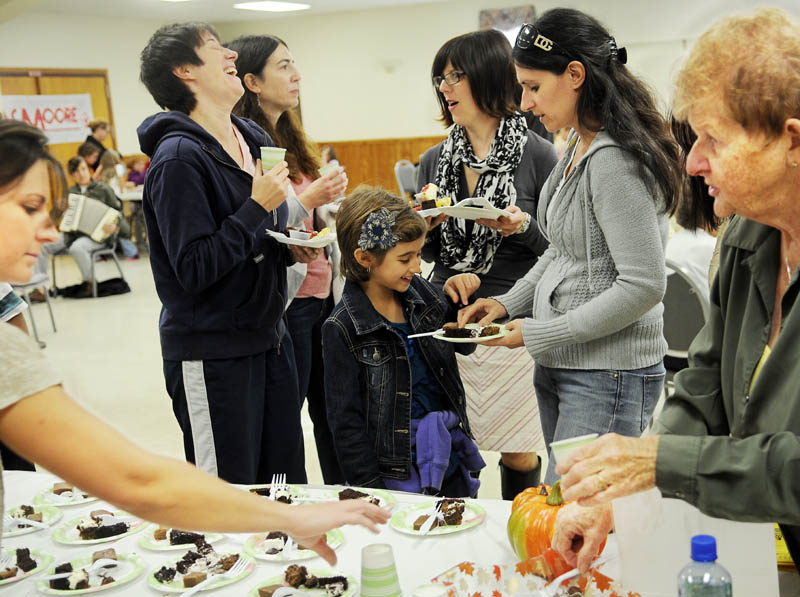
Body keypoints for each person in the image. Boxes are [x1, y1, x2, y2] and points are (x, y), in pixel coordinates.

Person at [0, 118, 389, 557]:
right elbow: (137, 481)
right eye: (30, 207)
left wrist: (288, 517)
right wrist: (291, 518)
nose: (51, 232)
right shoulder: (180, 159)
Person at [551, 7, 800, 574]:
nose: (692, 161)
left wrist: (660, 462)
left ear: (792, 142)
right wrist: (625, 485)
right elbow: (704, 382)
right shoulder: (747, 237)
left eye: (713, 138)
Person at [459, 8, 681, 485]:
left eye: (534, 87)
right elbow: (563, 252)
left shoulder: (614, 160)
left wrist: (541, 333)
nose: (524, 101)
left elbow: (643, 286)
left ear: (575, 75)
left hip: (608, 373)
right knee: (563, 509)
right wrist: (504, 303)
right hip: (568, 363)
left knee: (583, 519)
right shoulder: (577, 148)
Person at [137, 22, 306, 485]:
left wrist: (292, 248)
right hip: (213, 353)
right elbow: (193, 268)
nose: (232, 55)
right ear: (184, 71)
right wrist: (256, 208)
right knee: (229, 494)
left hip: (271, 338)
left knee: (283, 486)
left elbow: (261, 234)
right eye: (215, 49)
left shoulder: (252, 138)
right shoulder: (177, 159)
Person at [417, 29, 558, 499]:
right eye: (441, 77)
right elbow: (428, 253)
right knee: (451, 439)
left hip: (512, 321)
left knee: (519, 448)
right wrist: (429, 237)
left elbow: (560, 253)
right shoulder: (434, 161)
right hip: (450, 317)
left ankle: (520, 530)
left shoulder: (540, 155)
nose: (445, 87)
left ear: (490, 77)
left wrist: (522, 228)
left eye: (456, 75)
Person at [228, 34, 348, 484]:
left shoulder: (292, 136)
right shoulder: (243, 142)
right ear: (252, 81)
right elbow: (259, 218)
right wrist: (312, 196)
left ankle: (343, 497)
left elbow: (307, 216)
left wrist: (332, 200)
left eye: (294, 63)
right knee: (285, 418)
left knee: (334, 411)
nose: (296, 75)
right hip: (289, 298)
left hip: (322, 292)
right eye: (283, 66)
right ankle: (290, 509)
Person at [323, 187, 485, 496]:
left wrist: (462, 301)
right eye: (405, 258)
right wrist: (370, 490)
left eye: (419, 254)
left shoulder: (423, 294)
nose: (417, 266)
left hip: (445, 456)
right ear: (364, 257)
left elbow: (465, 344)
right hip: (393, 474)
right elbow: (345, 422)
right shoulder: (342, 328)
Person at [36, 156, 122, 298]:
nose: (81, 174)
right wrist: (58, 210)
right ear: (72, 175)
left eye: (83, 169)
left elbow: (118, 215)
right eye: (76, 172)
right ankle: (39, 290)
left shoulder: (103, 189)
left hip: (97, 236)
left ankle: (89, 282)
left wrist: (115, 227)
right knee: (42, 244)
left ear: (88, 169)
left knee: (77, 247)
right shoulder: (69, 192)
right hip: (72, 235)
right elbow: (55, 218)